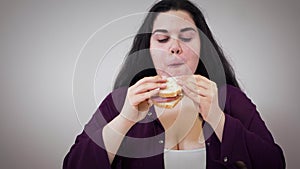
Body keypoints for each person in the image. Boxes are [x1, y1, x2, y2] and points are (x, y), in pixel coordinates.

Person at [63, 0, 285, 169]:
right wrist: (124, 120)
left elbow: (275, 163)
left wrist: (218, 118)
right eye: (162, 39)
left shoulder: (230, 98)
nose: (175, 47)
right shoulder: (121, 101)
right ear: (148, 48)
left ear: (202, 47)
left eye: (187, 37)